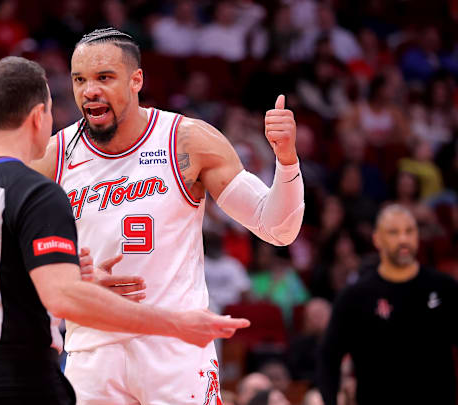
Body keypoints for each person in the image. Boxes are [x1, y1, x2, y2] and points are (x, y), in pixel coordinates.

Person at [0, 56, 249, 404]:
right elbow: (63, 298)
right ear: (37, 117)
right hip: (15, 377)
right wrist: (175, 324)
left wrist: (73, 274)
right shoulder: (35, 191)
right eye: (50, 111)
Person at [30, 27, 305, 404]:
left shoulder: (186, 141)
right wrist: (70, 278)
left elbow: (277, 229)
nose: (89, 90)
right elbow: (14, 262)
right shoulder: (52, 158)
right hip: (92, 352)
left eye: (104, 78)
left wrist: (287, 161)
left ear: (136, 79)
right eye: (79, 80)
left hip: (175, 348)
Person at [317, 204, 458, 405]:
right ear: (377, 239)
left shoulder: (444, 287)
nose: (403, 239)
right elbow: (328, 356)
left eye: (409, 231)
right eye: (393, 232)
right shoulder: (356, 296)